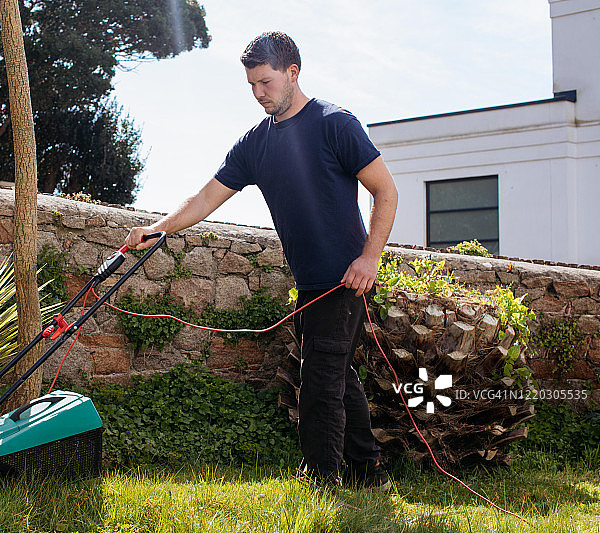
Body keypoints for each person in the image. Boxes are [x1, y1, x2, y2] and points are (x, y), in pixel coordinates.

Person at [125, 31, 398, 491]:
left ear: (293, 73)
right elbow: (206, 197)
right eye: (251, 84)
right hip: (310, 283)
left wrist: (369, 258)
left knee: (320, 379)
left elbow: (385, 191)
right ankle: (370, 473)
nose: (258, 93)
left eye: (266, 82)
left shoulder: (335, 124)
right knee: (338, 375)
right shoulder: (255, 144)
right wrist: (157, 229)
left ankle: (323, 484)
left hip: (346, 279)